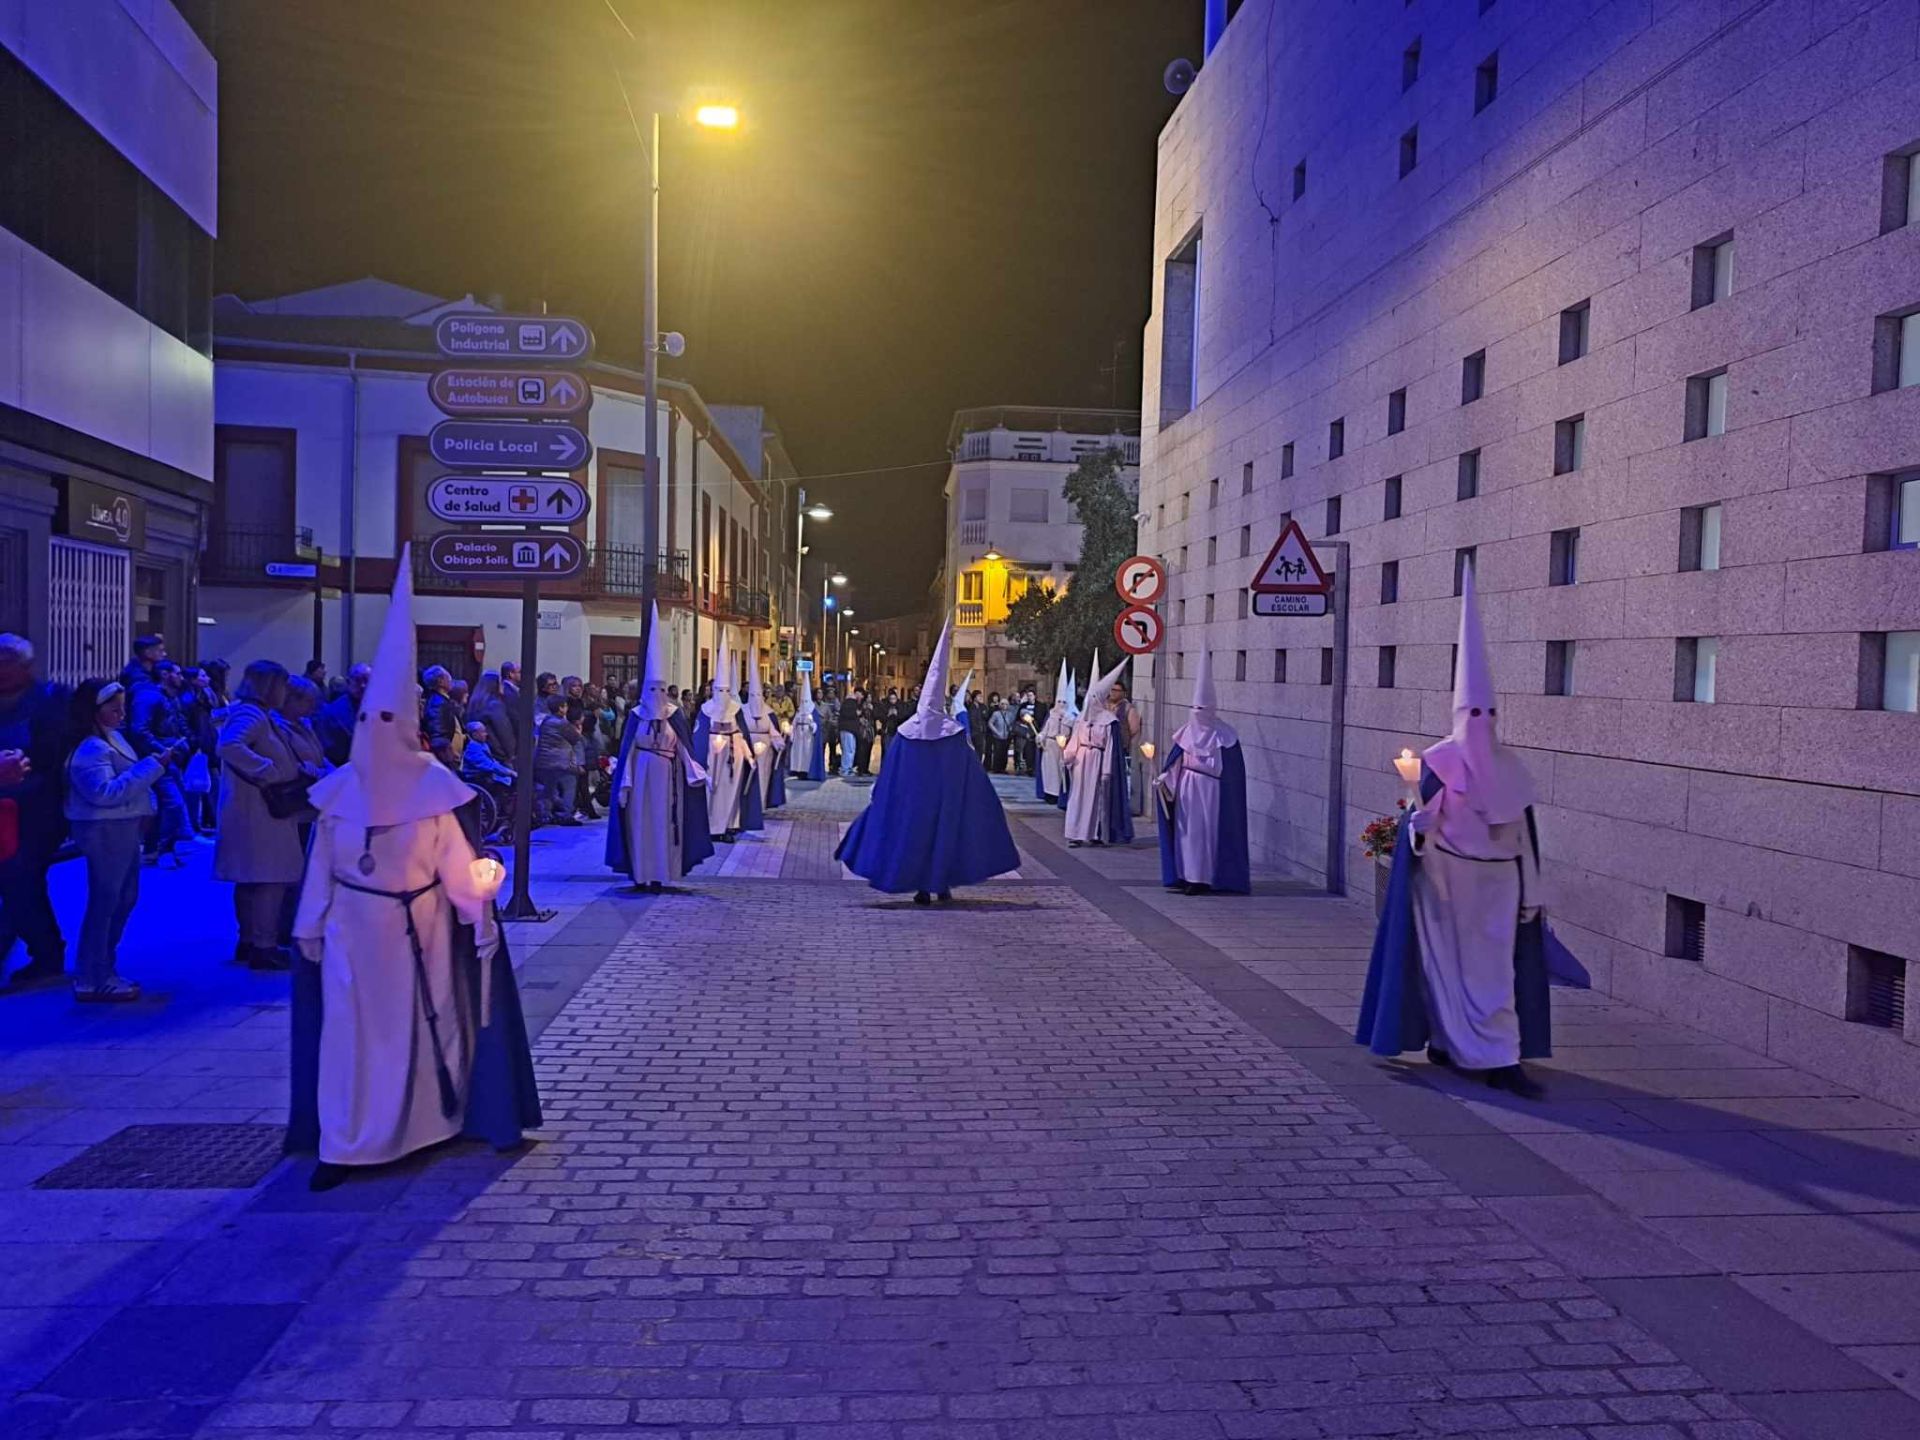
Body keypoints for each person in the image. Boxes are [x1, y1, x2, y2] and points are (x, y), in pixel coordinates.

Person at [290, 545, 541, 1190]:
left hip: (417, 934)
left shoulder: (432, 795)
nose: (374, 730)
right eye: (366, 720)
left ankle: (420, 1128)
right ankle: (345, 1143)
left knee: (417, 1031)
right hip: (351, 933)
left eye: (386, 720)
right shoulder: (339, 797)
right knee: (349, 1038)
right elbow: (321, 869)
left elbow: (458, 868)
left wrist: (480, 901)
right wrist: (310, 925)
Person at [1357, 564, 1550, 1098]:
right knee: (1444, 968)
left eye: (1490, 712)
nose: (1482, 722)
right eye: (1473, 712)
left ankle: (1500, 1056)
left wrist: (1533, 890)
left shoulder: (1510, 767)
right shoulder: (1439, 762)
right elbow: (1416, 826)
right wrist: (1416, 829)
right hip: (1446, 883)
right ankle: (1450, 1043)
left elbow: (1524, 836)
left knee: (1495, 974)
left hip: (1499, 885)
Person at [835, 615, 1019, 905]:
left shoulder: (910, 733)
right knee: (942, 840)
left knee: (918, 842)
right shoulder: (949, 734)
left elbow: (893, 770)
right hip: (942, 802)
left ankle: (926, 887)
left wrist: (883, 793)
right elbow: (969, 770)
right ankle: (938, 885)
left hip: (916, 803)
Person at [64, 679, 178, 1001]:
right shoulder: (91, 748)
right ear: (94, 710)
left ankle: (103, 968)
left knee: (122, 898)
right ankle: (93, 975)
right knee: (107, 902)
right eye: (114, 709)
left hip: (120, 827)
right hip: (104, 829)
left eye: (122, 707)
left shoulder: (110, 739)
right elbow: (104, 793)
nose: (122, 714)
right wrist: (153, 767)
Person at [607, 605, 713, 889]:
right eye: (653, 689)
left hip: (668, 779)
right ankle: (641, 874)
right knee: (640, 824)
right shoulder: (636, 716)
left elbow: (684, 749)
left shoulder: (674, 715)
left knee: (665, 824)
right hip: (640, 778)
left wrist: (698, 773)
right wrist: (625, 784)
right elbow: (628, 752)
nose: (658, 695)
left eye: (662, 689)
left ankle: (662, 874)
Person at [215, 659, 307, 970]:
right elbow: (229, 746)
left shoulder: (255, 713)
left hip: (253, 810)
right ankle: (263, 945)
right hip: (258, 810)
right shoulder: (251, 715)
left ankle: (250, 940)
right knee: (269, 878)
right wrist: (267, 771)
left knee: (252, 879)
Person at [0, 635, 70, 988]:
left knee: (19, 880)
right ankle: (46, 952)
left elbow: (56, 754)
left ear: (26, 666)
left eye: (7, 661)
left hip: (37, 809)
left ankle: (45, 953)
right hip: (4, 805)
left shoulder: (51, 699)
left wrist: (21, 765)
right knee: (18, 883)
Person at [1155, 649, 1251, 896]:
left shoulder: (1226, 737)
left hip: (1211, 793)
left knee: (1205, 835)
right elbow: (1177, 764)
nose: (1198, 713)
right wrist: (1165, 781)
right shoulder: (1185, 734)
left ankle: (1203, 878)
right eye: (1194, 708)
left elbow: (1230, 776)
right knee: (1186, 835)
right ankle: (1185, 875)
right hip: (1186, 791)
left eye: (1202, 709)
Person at [128, 658, 195, 864]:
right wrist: (162, 749)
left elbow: (175, 724)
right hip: (157, 758)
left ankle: (157, 849)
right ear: (165, 675)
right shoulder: (149, 696)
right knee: (173, 803)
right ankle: (160, 848)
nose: (181, 677)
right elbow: (139, 729)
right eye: (177, 673)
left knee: (168, 805)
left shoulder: (167, 697)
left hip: (169, 756)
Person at [1063, 658, 1135, 848]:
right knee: (1078, 797)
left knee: (1095, 799)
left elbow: (1110, 747)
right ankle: (1075, 834)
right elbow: (1075, 739)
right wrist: (1068, 756)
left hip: (1097, 760)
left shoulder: (1109, 721)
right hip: (1080, 762)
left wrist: (1106, 771)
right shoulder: (1081, 719)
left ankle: (1094, 832)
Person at [695, 635, 761, 839]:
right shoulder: (706, 709)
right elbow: (699, 736)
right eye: (719, 690)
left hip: (733, 757)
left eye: (726, 690)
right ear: (714, 690)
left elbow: (740, 734)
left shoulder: (735, 709)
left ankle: (731, 824)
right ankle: (712, 826)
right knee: (713, 791)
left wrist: (749, 756)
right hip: (712, 758)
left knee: (732, 790)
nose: (723, 694)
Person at [532, 693, 583, 826]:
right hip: (562, 762)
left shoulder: (545, 721)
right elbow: (575, 738)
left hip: (544, 762)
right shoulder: (562, 723)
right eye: (565, 706)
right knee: (569, 787)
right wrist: (578, 731)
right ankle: (566, 815)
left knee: (549, 790)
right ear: (561, 708)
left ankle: (545, 815)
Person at [742, 662, 787, 812]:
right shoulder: (742, 711)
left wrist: (779, 742)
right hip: (747, 750)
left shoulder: (768, 712)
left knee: (763, 777)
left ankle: (760, 806)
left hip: (765, 753)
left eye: (758, 695)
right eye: (753, 695)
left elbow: (773, 732)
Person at [315, 664, 370, 769]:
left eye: (367, 681)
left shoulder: (377, 706)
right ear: (348, 682)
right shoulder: (333, 712)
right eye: (358, 680)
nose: (363, 685)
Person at [1037, 661, 1071, 803]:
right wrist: (1040, 737)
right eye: (1059, 701)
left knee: (1059, 771)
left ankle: (1059, 794)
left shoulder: (1069, 717)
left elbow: (1069, 733)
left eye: (1064, 702)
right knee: (1049, 771)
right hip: (1049, 746)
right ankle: (1048, 793)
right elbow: (1045, 730)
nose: (1061, 704)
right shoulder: (1051, 715)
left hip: (1061, 747)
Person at [788, 668, 825, 782]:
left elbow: (816, 726)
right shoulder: (799, 711)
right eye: (802, 701)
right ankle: (798, 770)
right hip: (799, 737)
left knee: (807, 755)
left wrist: (812, 725)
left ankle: (807, 771)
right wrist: (792, 733)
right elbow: (794, 722)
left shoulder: (813, 711)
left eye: (806, 701)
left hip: (808, 738)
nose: (804, 703)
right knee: (798, 754)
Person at [421, 666, 459, 769]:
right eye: (448, 677)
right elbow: (438, 736)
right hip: (443, 759)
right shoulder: (438, 703)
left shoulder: (442, 700)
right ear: (440, 681)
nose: (451, 680)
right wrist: (448, 758)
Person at [835, 686, 862, 778]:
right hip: (848, 730)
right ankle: (846, 769)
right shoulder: (850, 703)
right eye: (861, 695)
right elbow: (848, 714)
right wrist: (856, 714)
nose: (861, 697)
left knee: (850, 749)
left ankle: (847, 768)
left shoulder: (848, 703)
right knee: (849, 749)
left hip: (848, 730)